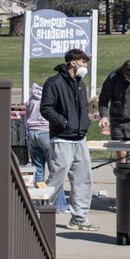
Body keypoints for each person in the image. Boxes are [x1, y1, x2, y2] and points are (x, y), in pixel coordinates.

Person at [41, 48, 97, 231]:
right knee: (57, 177)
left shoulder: (80, 83)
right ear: (73, 62)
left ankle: (79, 218)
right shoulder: (54, 83)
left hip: (79, 138)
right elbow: (46, 108)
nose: (85, 66)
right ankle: (38, 212)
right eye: (84, 62)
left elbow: (81, 107)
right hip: (62, 138)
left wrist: (85, 122)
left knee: (83, 178)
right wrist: (64, 122)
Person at [24, 82, 67, 212]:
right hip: (46, 132)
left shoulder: (31, 99)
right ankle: (59, 204)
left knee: (38, 170)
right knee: (56, 171)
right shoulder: (50, 99)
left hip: (31, 133)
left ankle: (37, 203)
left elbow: (25, 116)